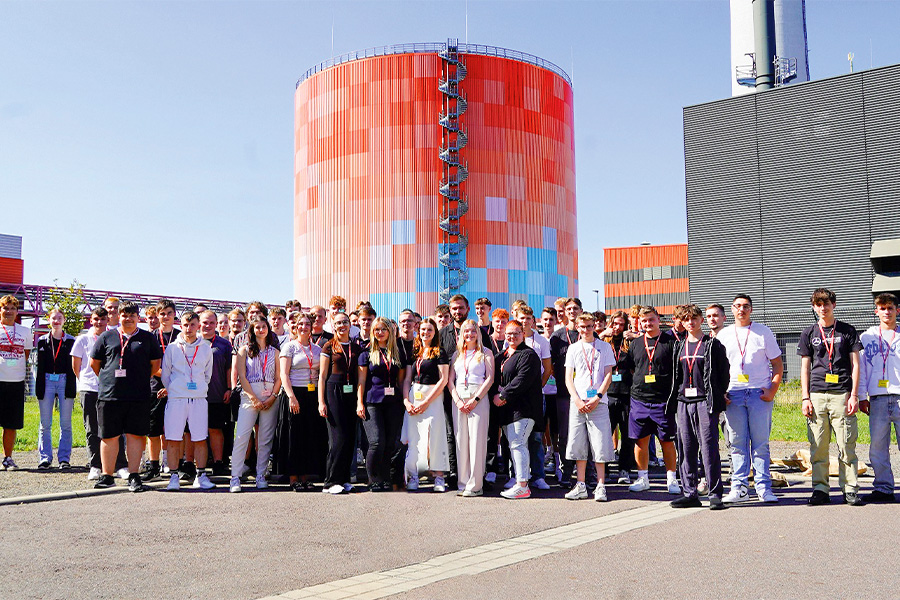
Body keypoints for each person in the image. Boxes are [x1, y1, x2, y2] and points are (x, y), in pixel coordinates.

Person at [799, 288, 863, 506]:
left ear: (833, 305)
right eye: (818, 304)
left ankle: (850, 488)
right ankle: (820, 489)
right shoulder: (809, 333)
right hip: (817, 395)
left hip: (842, 394)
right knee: (818, 446)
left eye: (826, 303)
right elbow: (805, 368)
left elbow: (855, 365)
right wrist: (805, 398)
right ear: (814, 307)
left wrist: (854, 395)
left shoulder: (847, 331)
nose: (822, 308)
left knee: (846, 444)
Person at [716, 294, 782, 504]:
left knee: (760, 444)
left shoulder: (763, 332)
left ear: (751, 309)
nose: (741, 310)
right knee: (737, 443)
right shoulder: (723, 335)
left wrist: (772, 390)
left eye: (745, 306)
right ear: (732, 310)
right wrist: (720, 393)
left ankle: (764, 488)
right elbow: (715, 369)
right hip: (733, 395)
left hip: (758, 394)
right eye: (737, 306)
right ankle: (739, 487)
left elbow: (778, 365)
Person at [90, 301, 162, 491]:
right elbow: (94, 363)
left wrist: (139, 378)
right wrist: (108, 380)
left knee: (135, 436)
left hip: (138, 396)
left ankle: (134, 475)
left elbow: (155, 365)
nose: (128, 318)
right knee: (108, 436)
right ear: (118, 316)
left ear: (138, 318)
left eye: (132, 315)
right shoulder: (107, 336)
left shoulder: (147, 338)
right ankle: (107, 475)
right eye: (124, 314)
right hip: (110, 395)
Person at [667, 304, 730, 510]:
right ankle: (690, 492)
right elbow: (675, 376)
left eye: (694, 318)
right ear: (682, 323)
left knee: (709, 448)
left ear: (701, 320)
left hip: (705, 402)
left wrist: (719, 395)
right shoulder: (678, 346)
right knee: (685, 448)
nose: (690, 322)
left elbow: (723, 373)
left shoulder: (712, 345)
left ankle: (715, 493)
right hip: (684, 403)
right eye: (686, 320)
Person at [622, 306, 680, 494]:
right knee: (640, 441)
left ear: (658, 320)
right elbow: (632, 367)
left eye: (651, 320)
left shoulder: (670, 342)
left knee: (666, 441)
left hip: (663, 400)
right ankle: (642, 478)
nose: (648, 323)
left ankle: (671, 479)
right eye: (644, 320)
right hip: (639, 399)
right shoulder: (636, 343)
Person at [563, 313, 616, 502]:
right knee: (578, 443)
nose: (586, 330)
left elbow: (608, 374)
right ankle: (581, 484)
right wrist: (576, 399)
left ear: (595, 326)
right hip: (578, 402)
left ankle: (601, 485)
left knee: (600, 443)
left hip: (598, 402)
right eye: (582, 326)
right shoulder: (573, 348)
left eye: (589, 326)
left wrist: (598, 396)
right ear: (577, 327)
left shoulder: (604, 347)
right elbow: (569, 377)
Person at [161, 312, 215, 491]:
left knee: (200, 437)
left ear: (198, 325)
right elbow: (166, 374)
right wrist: (176, 389)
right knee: (173, 438)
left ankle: (201, 475)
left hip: (198, 398)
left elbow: (207, 375)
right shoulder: (172, 348)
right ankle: (174, 476)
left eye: (192, 325)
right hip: (176, 399)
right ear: (181, 325)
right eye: (185, 324)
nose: (189, 329)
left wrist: (198, 388)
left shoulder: (206, 348)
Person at [230, 316, 282, 492]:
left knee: (265, 438)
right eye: (257, 327)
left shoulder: (275, 352)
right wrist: (252, 397)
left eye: (263, 326)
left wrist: (273, 396)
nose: (261, 329)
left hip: (270, 397)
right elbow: (241, 376)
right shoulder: (244, 350)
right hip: (249, 395)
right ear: (251, 330)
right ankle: (235, 477)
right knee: (242, 436)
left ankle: (261, 475)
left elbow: (279, 377)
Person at [73, 307, 125, 480]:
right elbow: (76, 366)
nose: (99, 322)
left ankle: (120, 465)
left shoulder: (114, 337)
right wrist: (86, 381)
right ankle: (95, 465)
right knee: (92, 428)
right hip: (90, 388)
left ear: (108, 320)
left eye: (103, 319)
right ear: (91, 319)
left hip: (110, 389)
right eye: (96, 319)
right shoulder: (82, 340)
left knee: (115, 428)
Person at [493, 320, 543, 499]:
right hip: (507, 411)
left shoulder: (528, 355)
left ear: (523, 334)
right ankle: (519, 481)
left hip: (523, 409)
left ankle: (522, 485)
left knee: (518, 445)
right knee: (514, 446)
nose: (512, 336)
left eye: (516, 333)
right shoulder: (503, 355)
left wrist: (503, 395)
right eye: (509, 333)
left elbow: (521, 380)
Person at [859, 293, 900, 503]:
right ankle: (884, 488)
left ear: (897, 311)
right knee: (877, 447)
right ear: (876, 311)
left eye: (890, 308)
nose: (887, 312)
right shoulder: (867, 337)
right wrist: (861, 396)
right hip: (877, 399)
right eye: (882, 308)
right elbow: (862, 369)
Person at [356, 316, 405, 492]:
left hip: (393, 403)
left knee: (390, 442)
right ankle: (373, 478)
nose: (380, 332)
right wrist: (359, 403)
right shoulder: (366, 354)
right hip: (372, 402)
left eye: (383, 329)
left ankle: (385, 478)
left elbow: (400, 381)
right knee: (376, 442)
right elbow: (361, 381)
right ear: (372, 332)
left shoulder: (397, 352)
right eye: (377, 329)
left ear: (390, 331)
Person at [402, 317, 450, 491]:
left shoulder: (439, 352)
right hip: (415, 395)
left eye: (429, 330)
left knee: (435, 436)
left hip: (433, 397)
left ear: (435, 332)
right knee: (415, 437)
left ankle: (438, 476)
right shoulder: (414, 351)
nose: (425, 333)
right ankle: (414, 475)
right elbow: (407, 379)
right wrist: (406, 400)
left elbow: (443, 379)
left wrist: (427, 402)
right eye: (423, 330)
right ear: (418, 330)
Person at [280, 312, 326, 491]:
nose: (304, 327)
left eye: (307, 324)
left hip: (312, 394)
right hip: (294, 394)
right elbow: (284, 374)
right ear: (295, 326)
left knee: (309, 436)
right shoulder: (289, 347)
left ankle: (305, 477)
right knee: (294, 437)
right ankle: (293, 478)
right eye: (301, 324)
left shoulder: (317, 349)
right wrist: (291, 396)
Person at [318, 312, 363, 494]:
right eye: (338, 323)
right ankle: (330, 481)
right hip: (333, 391)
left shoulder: (356, 347)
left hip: (351, 392)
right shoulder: (328, 346)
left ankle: (343, 479)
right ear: (333, 325)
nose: (342, 325)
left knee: (350, 438)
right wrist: (321, 401)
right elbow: (322, 376)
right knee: (338, 438)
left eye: (345, 322)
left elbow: (360, 376)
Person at [449, 319, 495, 497]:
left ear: (478, 333)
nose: (469, 335)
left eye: (473, 331)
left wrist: (475, 399)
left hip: (478, 398)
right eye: (466, 332)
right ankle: (463, 482)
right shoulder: (457, 355)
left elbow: (489, 379)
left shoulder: (485, 353)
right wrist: (458, 401)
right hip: (459, 399)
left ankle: (475, 485)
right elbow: (450, 381)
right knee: (461, 441)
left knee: (477, 441)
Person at [34, 308, 77, 470]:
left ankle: (64, 458)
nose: (56, 321)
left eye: (60, 318)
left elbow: (74, 366)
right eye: (53, 318)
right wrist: (39, 387)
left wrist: (72, 387)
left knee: (65, 423)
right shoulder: (42, 341)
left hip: (65, 380)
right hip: (46, 381)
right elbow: (39, 367)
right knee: (45, 423)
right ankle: (45, 458)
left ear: (64, 320)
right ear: (49, 320)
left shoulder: (71, 341)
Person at [143, 299, 180, 482]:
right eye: (162, 314)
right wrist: (165, 379)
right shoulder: (149, 337)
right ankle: (153, 465)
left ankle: (171, 463)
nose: (165, 317)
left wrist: (170, 384)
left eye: (169, 313)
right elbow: (148, 364)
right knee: (153, 429)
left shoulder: (180, 336)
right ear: (157, 316)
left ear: (175, 315)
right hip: (155, 388)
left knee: (174, 428)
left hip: (177, 389)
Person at [548, 297, 584, 486]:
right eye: (568, 308)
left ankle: (587, 472)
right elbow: (552, 365)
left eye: (575, 308)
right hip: (564, 393)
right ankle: (565, 471)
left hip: (586, 393)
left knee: (585, 434)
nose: (571, 311)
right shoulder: (557, 336)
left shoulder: (586, 332)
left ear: (581, 310)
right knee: (565, 434)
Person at [515, 306, 551, 490]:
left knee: (536, 437)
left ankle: (538, 475)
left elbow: (548, 368)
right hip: (516, 397)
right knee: (515, 438)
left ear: (533, 320)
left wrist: (538, 388)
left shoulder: (542, 341)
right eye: (522, 318)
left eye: (528, 318)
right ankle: (518, 476)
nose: (525, 321)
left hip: (537, 397)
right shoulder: (511, 338)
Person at [600, 310, 635, 484]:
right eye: (615, 323)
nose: (617, 327)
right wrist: (600, 334)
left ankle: (624, 470)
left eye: (621, 324)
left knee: (627, 435)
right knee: (606, 434)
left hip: (626, 394)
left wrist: (634, 335)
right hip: (608, 394)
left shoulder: (629, 341)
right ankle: (604, 469)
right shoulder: (603, 341)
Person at [0, 296, 33, 470]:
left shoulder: (25, 332)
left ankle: (8, 458)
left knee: (11, 424)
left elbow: (25, 354)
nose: (9, 311)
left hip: (16, 382)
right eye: (6, 308)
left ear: (17, 312)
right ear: (0, 310)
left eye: (13, 308)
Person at [198, 310, 233, 476]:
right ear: (199, 323)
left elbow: (229, 369)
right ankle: (197, 463)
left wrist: (228, 388)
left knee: (215, 429)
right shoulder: (192, 342)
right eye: (205, 322)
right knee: (194, 430)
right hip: (196, 394)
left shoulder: (224, 344)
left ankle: (218, 462)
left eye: (212, 323)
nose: (208, 326)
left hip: (216, 393)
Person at [484, 308, 509, 485]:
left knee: (508, 433)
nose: (500, 324)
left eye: (503, 321)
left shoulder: (512, 341)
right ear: (492, 322)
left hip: (508, 393)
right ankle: (491, 468)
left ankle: (508, 467)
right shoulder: (486, 342)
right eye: (497, 321)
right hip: (490, 393)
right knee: (491, 433)